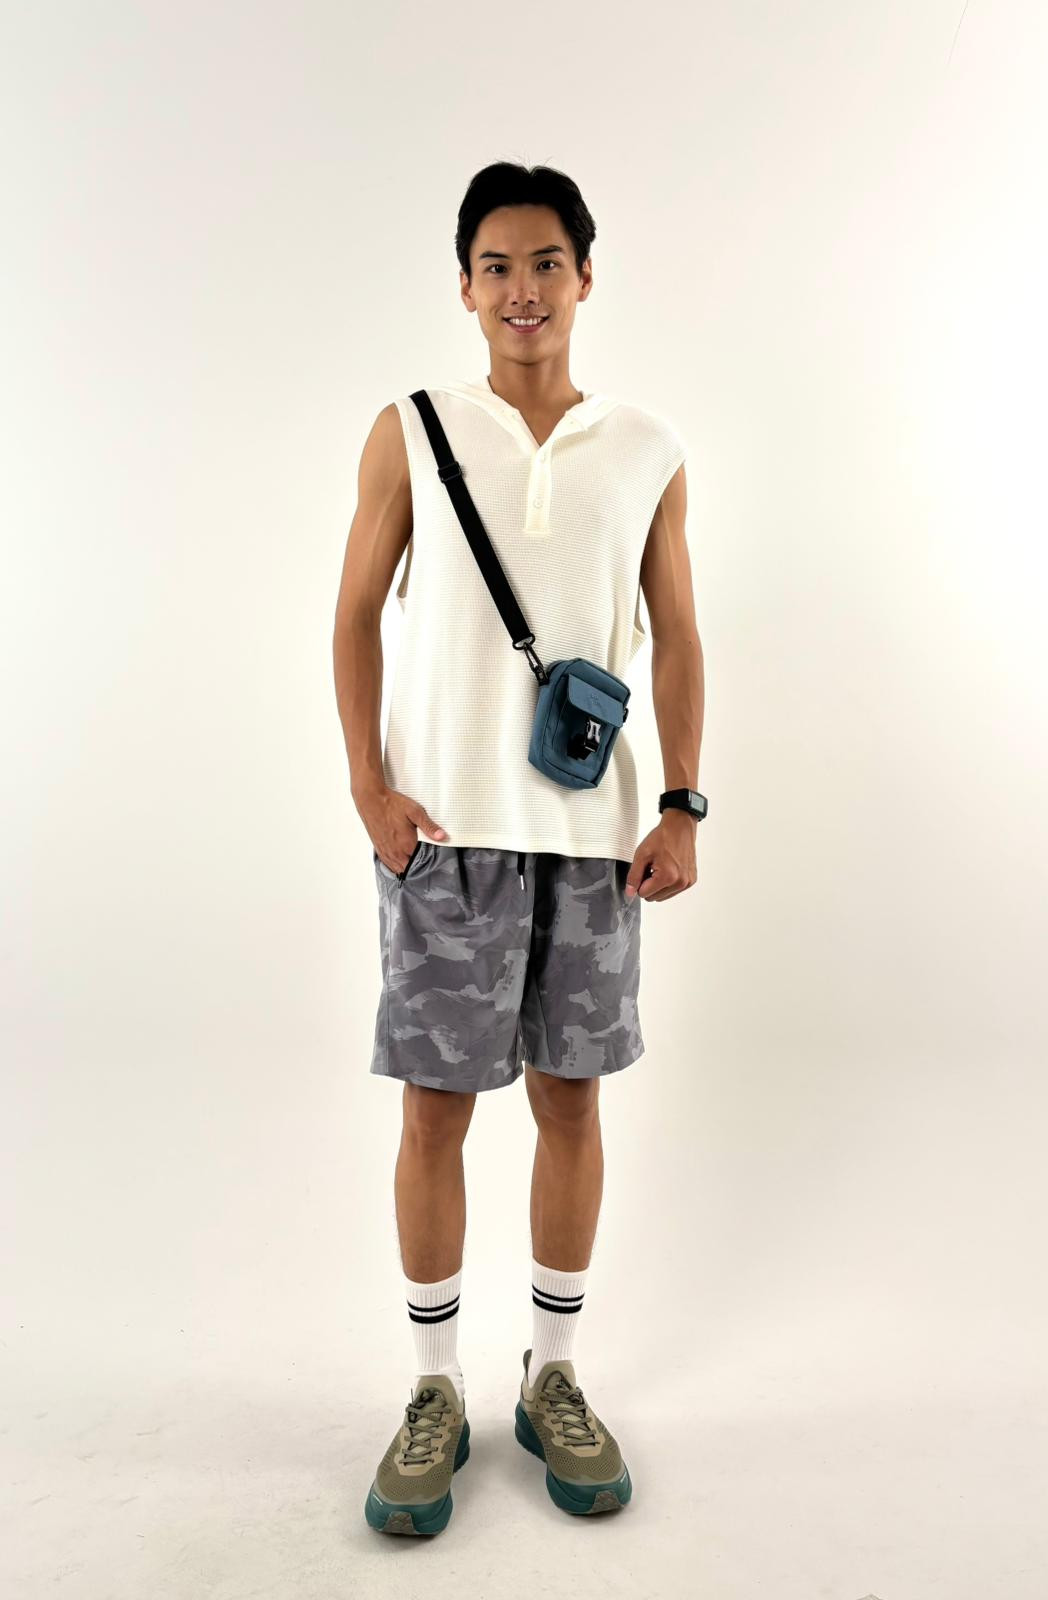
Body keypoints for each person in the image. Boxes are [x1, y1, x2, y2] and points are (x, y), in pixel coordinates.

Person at [332, 161, 706, 1536]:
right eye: (496, 266)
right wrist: (370, 789)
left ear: (585, 276)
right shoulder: (412, 429)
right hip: (445, 838)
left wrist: (684, 802)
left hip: (594, 845)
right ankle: (433, 1387)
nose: (523, 289)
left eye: (547, 262)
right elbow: (353, 611)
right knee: (435, 1115)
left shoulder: (647, 446)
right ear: (466, 286)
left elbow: (679, 631)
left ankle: (553, 1374)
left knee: (571, 1106)